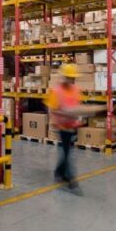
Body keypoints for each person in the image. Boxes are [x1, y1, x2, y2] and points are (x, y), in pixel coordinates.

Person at [45, 64, 90, 194]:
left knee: (67, 151)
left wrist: (79, 118)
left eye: (73, 78)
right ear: (64, 77)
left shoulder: (75, 90)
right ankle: (72, 181)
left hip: (73, 126)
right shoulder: (57, 91)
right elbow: (52, 109)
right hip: (62, 126)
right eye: (70, 77)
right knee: (68, 153)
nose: (72, 80)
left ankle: (59, 172)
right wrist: (60, 117)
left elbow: (78, 106)